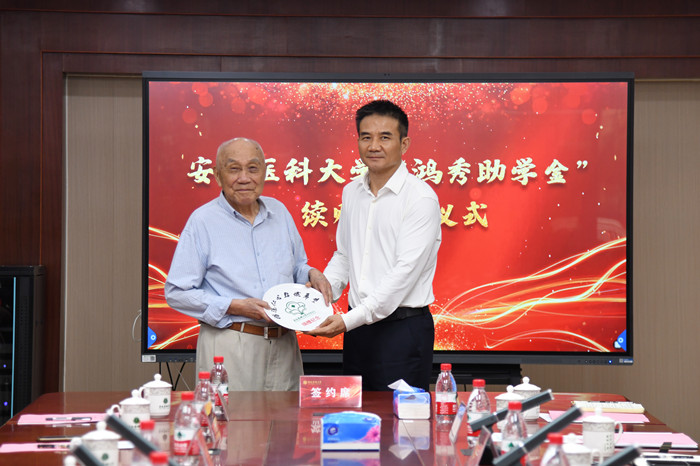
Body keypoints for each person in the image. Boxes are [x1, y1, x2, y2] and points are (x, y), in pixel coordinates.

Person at [165, 137, 331, 391]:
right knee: (232, 418)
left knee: (286, 417)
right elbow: (177, 292)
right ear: (217, 175)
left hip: (284, 345)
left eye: (253, 168)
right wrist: (234, 306)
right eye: (234, 169)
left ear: (264, 172)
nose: (244, 178)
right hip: (231, 342)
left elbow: (296, 267)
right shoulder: (202, 221)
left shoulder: (279, 212)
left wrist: (311, 273)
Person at [307, 100, 442, 391]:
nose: (374, 146)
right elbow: (345, 255)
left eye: (385, 137)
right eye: (366, 137)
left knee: (400, 418)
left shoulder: (420, 198)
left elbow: (404, 274)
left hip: (402, 332)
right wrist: (320, 295)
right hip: (358, 331)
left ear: (404, 144)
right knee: (357, 414)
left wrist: (348, 321)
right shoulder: (352, 191)